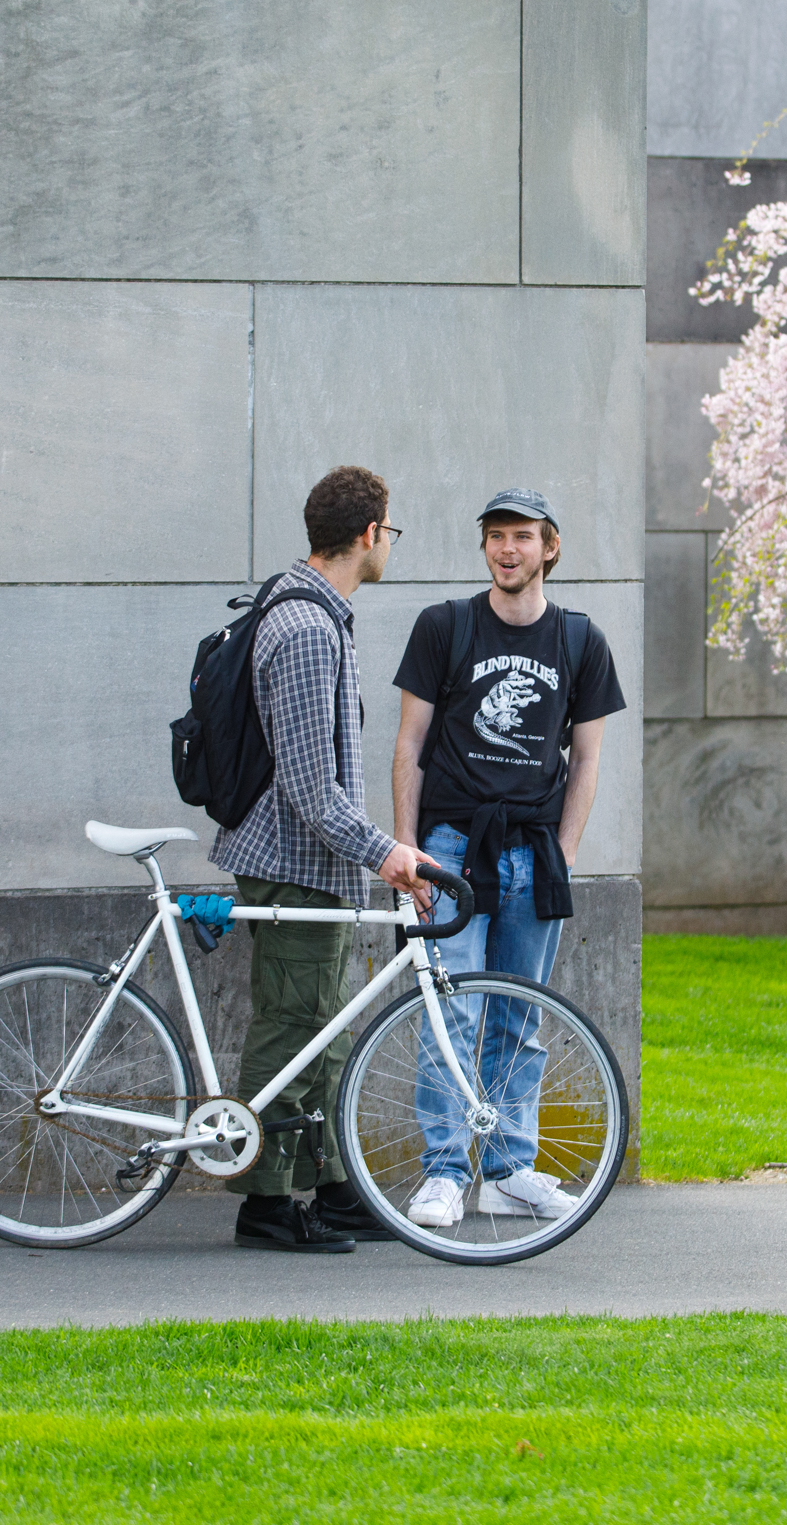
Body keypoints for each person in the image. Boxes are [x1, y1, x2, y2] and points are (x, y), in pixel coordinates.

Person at [214, 465, 439, 1253]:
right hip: (295, 862)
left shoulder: (307, 609)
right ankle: (267, 1206)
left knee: (324, 1032)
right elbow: (312, 789)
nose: (390, 545)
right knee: (293, 1027)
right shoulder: (310, 630)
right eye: (391, 532)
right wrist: (390, 854)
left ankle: (339, 1191)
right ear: (371, 533)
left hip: (309, 863)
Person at [388, 487, 627, 1228]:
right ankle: (441, 1171)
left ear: (550, 546)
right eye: (496, 536)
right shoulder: (446, 627)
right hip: (453, 847)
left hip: (533, 850)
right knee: (451, 1011)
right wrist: (408, 853)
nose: (507, 549)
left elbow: (586, 761)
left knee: (520, 1015)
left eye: (522, 536)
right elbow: (409, 746)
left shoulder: (581, 640)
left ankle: (507, 1168)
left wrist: (564, 851)